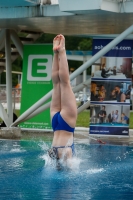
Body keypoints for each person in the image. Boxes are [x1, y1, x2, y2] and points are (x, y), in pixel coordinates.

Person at [48, 34, 77, 166]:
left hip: (66, 125)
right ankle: (55, 53)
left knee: (64, 83)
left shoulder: (67, 154)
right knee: (56, 84)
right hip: (55, 126)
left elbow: (72, 173)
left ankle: (62, 50)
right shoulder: (54, 155)